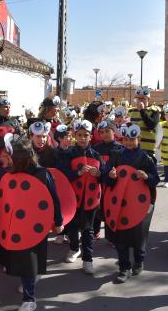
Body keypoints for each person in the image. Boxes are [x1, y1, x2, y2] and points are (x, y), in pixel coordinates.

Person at [0, 137, 63, 311]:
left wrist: (58, 222)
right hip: (13, 224)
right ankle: (29, 279)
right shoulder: (9, 174)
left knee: (29, 261)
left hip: (34, 226)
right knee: (19, 260)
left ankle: (29, 299)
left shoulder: (41, 174)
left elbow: (53, 199)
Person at [104, 123, 158, 282]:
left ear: (139, 139)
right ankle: (124, 267)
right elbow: (106, 177)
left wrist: (147, 177)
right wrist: (111, 175)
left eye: (132, 139)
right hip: (119, 203)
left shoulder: (146, 158)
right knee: (121, 237)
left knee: (138, 236)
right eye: (125, 139)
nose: (128, 142)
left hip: (139, 206)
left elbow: (156, 179)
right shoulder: (116, 156)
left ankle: (139, 260)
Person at [58, 120, 106, 274]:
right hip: (73, 199)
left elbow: (105, 177)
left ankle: (88, 259)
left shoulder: (96, 155)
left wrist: (99, 174)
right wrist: (77, 173)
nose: (83, 138)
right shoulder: (68, 154)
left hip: (90, 201)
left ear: (91, 137)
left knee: (88, 229)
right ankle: (74, 248)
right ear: (74, 136)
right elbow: (62, 174)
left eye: (86, 135)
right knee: (72, 227)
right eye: (79, 135)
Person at [92, 120, 122, 239]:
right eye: (102, 132)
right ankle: (95, 231)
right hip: (99, 184)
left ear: (113, 131)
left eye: (107, 131)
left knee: (112, 209)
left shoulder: (120, 148)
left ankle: (111, 237)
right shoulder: (96, 148)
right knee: (97, 208)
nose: (104, 134)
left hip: (113, 184)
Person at [127, 88, 161, 159]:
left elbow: (151, 125)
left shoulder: (154, 111)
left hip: (148, 151)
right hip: (133, 150)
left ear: (148, 100)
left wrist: (142, 111)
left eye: (143, 98)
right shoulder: (130, 111)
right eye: (138, 98)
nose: (140, 100)